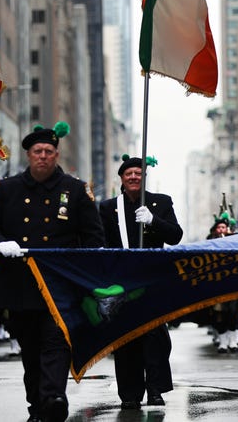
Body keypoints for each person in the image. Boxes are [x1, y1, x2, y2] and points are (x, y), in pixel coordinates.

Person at [0, 122, 105, 422]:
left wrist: (80, 268)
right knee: (31, 351)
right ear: (29, 155)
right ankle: (37, 405)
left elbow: (94, 237)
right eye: (37, 151)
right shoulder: (8, 189)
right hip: (19, 286)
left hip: (59, 288)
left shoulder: (74, 190)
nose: (43, 156)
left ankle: (54, 398)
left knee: (56, 344)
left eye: (49, 151)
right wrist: (1, 244)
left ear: (57, 155)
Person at [99, 154, 184, 409]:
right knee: (125, 339)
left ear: (144, 177)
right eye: (129, 174)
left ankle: (155, 388)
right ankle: (129, 393)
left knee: (154, 337)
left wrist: (153, 220)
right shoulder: (108, 207)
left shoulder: (160, 202)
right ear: (122, 179)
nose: (134, 177)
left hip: (151, 282)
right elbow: (100, 240)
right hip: (121, 282)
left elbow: (176, 236)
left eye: (138, 173)